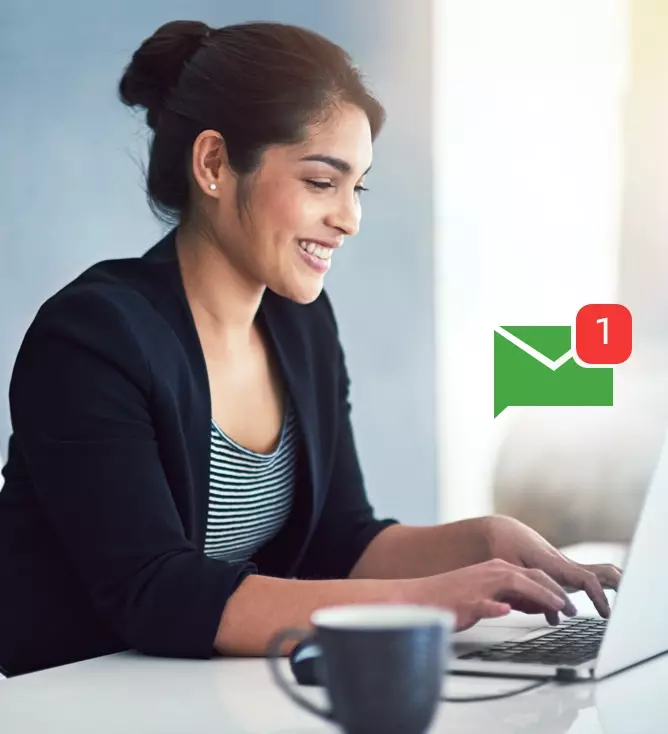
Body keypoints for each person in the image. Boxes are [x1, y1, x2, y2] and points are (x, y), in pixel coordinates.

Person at [0, 19, 620, 677]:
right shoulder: (92, 338)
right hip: (72, 700)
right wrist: (423, 602)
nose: (349, 218)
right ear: (213, 164)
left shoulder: (301, 324)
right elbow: (157, 592)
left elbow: (340, 540)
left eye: (359, 187)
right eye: (322, 182)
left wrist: (482, 542)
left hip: (204, 696)